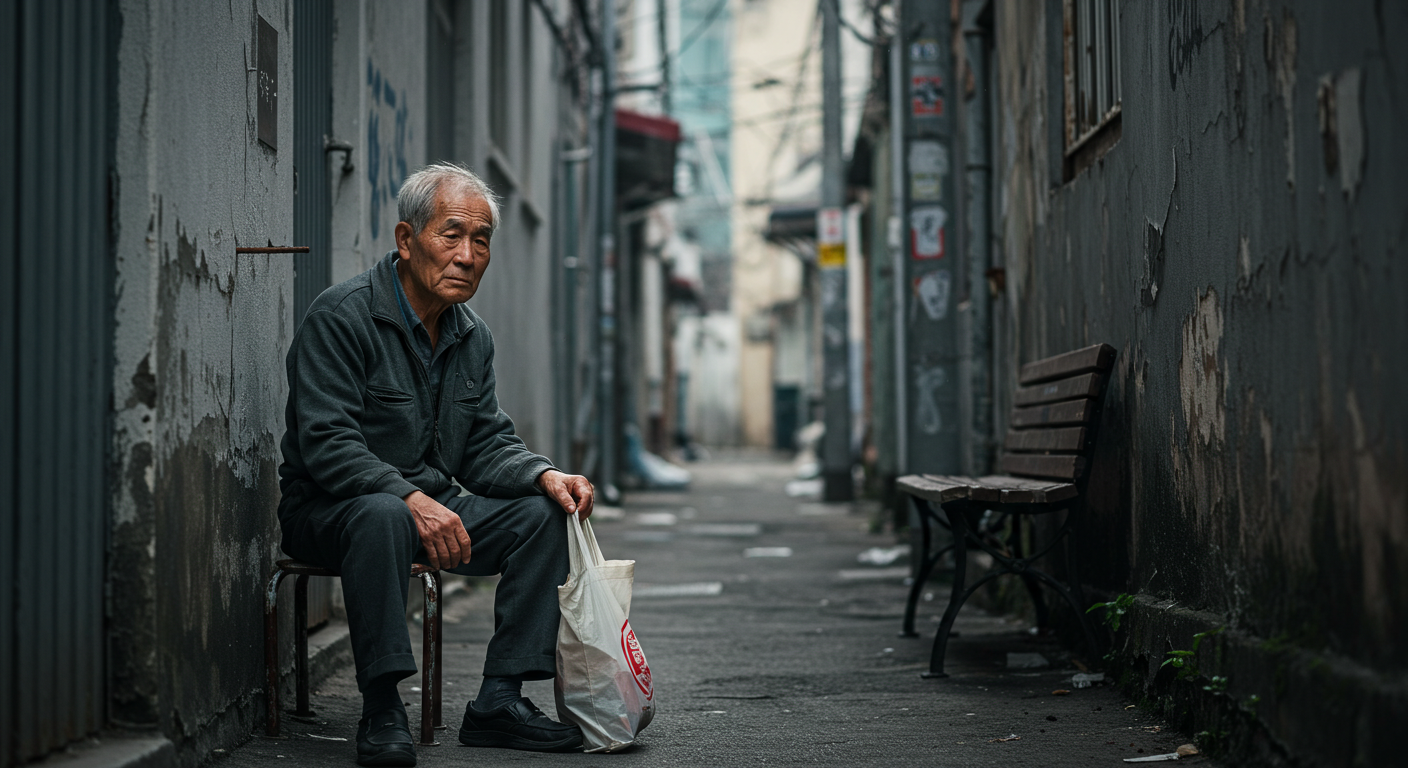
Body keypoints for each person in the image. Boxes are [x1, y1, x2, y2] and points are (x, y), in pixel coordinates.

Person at [277, 164, 593, 766]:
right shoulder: (342, 317)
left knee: (542, 515)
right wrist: (410, 500)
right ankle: (381, 705)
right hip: (330, 509)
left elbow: (483, 443)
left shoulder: (471, 336)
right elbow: (327, 443)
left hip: (429, 507)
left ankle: (498, 701)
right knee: (382, 515)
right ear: (406, 239)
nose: (468, 256)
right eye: (451, 235)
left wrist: (544, 476)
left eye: (481, 241)